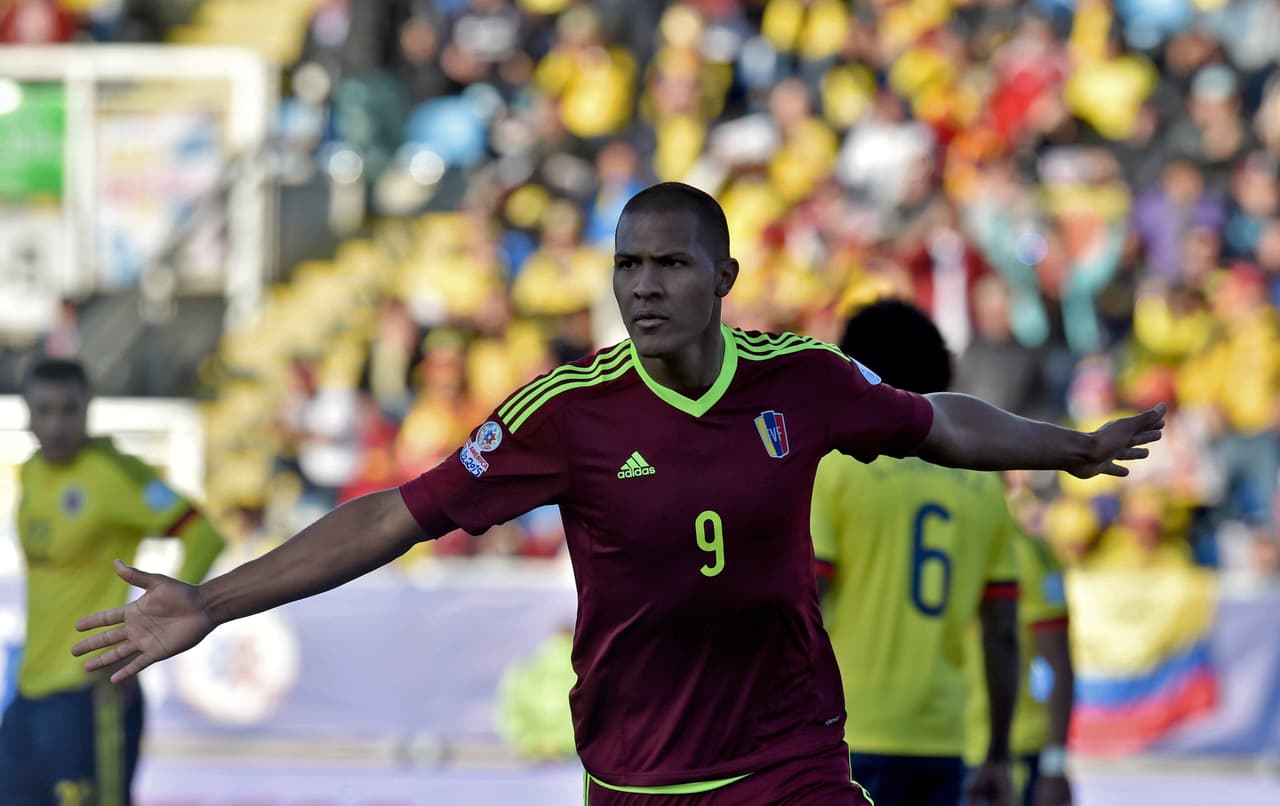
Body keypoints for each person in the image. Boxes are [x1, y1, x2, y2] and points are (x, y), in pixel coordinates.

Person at [72, 183, 1164, 805]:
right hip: (635, 769)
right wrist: (214, 602)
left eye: (671, 264)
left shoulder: (802, 381)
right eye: (628, 264)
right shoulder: (566, 410)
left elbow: (939, 418)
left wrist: (1062, 445)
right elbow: (396, 514)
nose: (644, 285)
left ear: (722, 278)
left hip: (791, 753)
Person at [811, 300, 1021, 806]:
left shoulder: (838, 466)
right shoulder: (983, 487)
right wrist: (997, 752)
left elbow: (803, 600)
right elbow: (1003, 634)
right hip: (943, 737)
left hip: (841, 732)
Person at [4, 357, 226, 806]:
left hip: (90, 695)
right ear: (27, 414)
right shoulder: (30, 472)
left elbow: (204, 536)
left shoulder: (114, 474)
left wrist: (152, 629)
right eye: (44, 410)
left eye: (70, 410)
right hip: (29, 690)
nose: (57, 423)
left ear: (89, 408)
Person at [964, 517, 1074, 806]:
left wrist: (1055, 764)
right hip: (942, 745)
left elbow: (1059, 662)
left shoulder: (1025, 551)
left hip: (1014, 753)